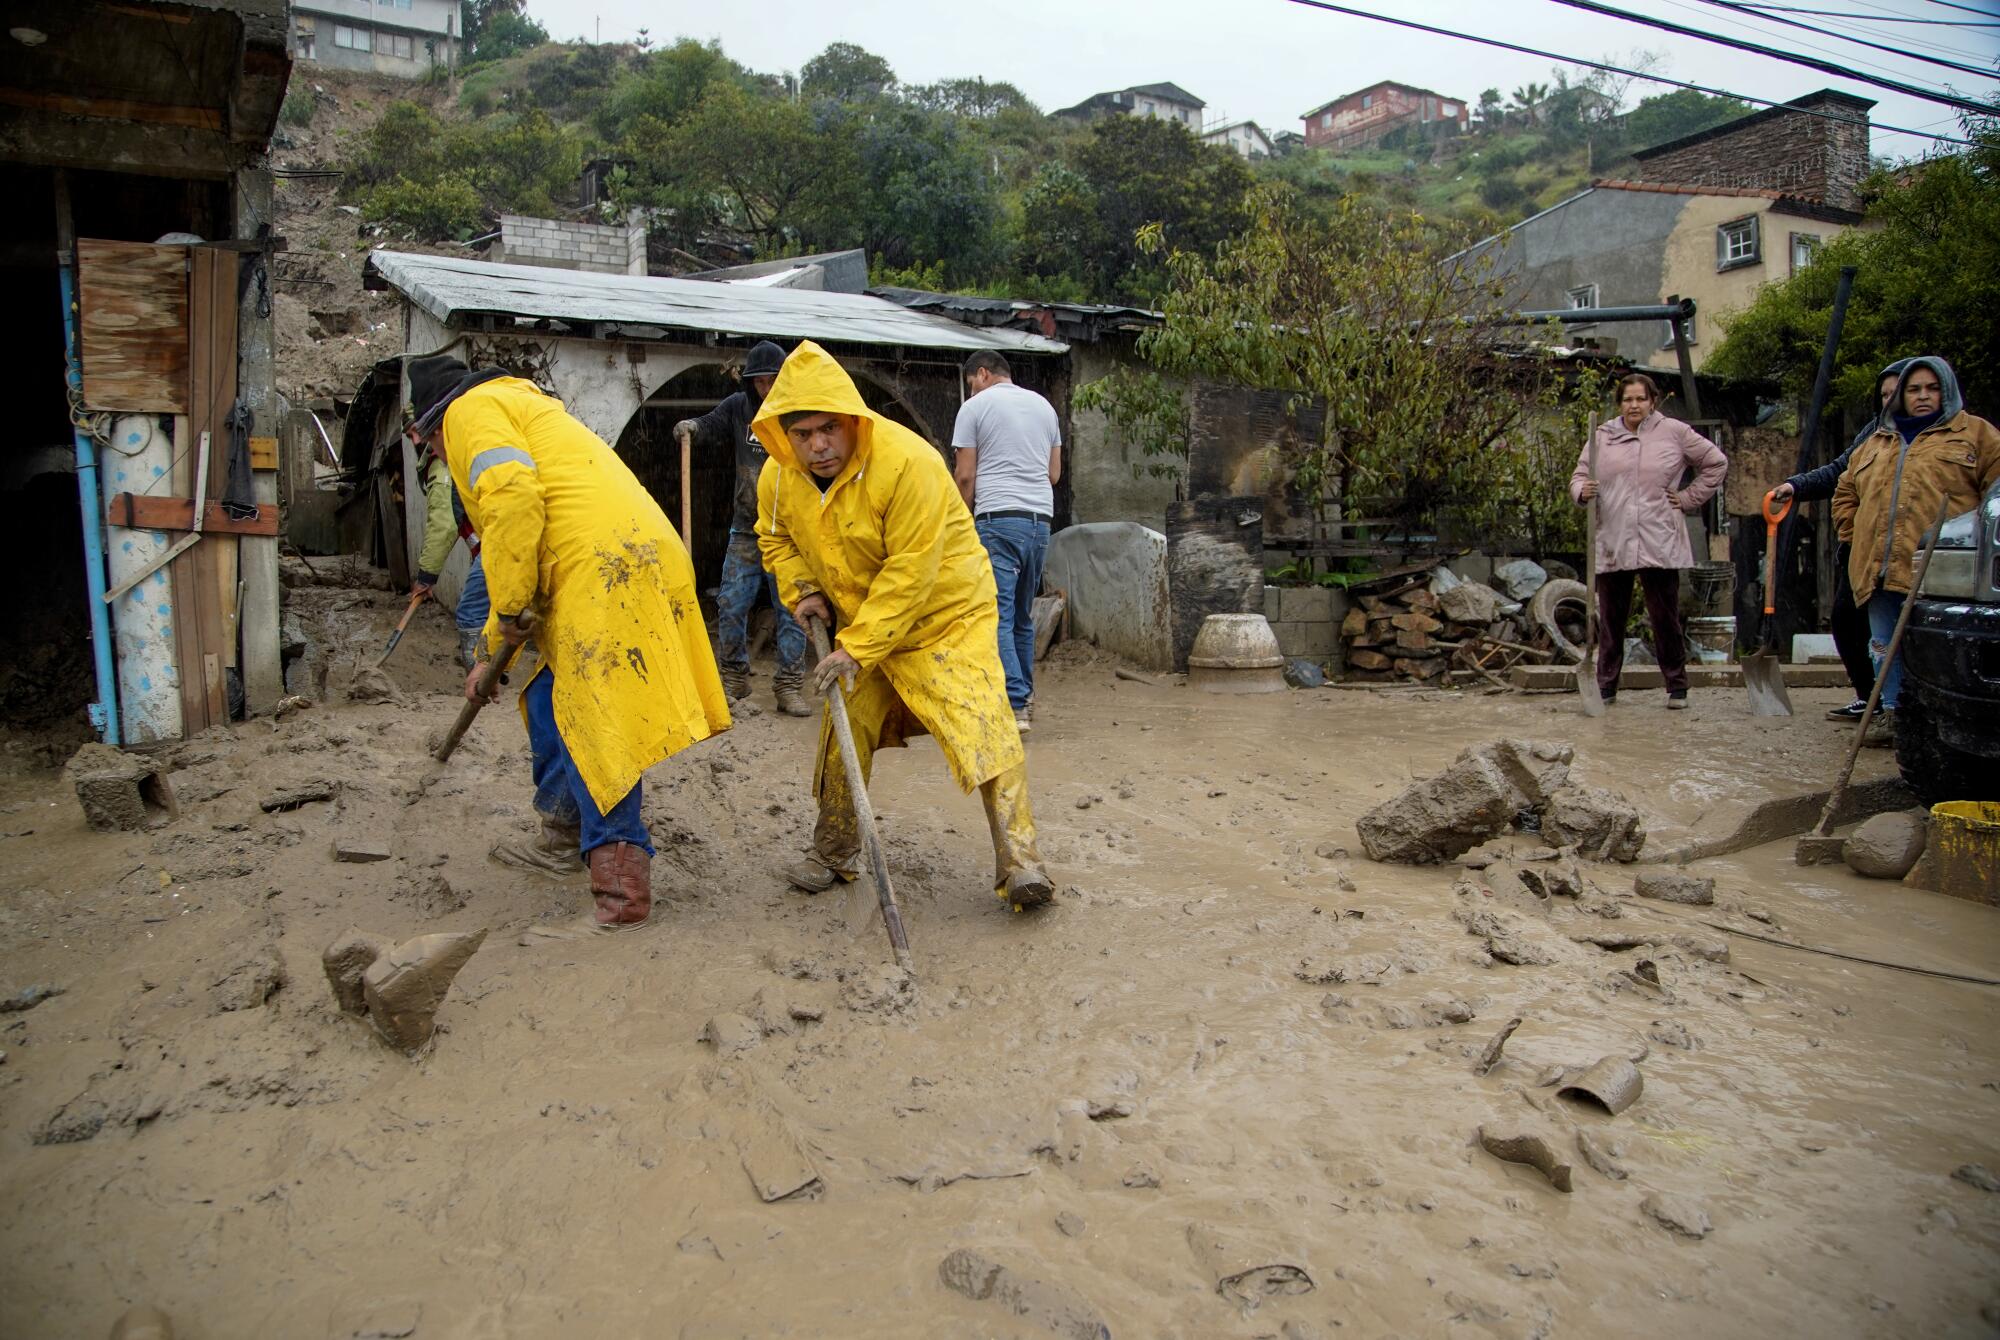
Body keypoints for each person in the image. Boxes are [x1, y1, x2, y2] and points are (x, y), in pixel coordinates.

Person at [407, 353, 731, 931]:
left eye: (429, 445)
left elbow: (511, 500)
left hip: (602, 569)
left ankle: (622, 894)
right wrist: (488, 654)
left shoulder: (469, 413)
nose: (437, 454)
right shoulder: (520, 406)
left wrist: (506, 610)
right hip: (626, 555)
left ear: (432, 426)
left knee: (594, 724)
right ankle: (562, 833)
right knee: (543, 696)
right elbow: (514, 548)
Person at [753, 341, 1055, 912]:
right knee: (846, 725)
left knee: (988, 732)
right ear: (783, 436)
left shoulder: (908, 464)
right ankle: (834, 851)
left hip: (944, 617)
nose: (817, 446)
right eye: (802, 434)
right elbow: (776, 539)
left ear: (851, 420)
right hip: (864, 622)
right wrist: (804, 589)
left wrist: (856, 647)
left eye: (828, 430)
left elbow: (911, 570)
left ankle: (1022, 865)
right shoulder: (777, 479)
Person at [1832, 356, 2000, 736]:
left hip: (1942, 573)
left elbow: (1997, 490)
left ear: (1947, 390)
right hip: (1878, 567)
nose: (1923, 396)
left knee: (1939, 647)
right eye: (1914, 389)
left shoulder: (1976, 435)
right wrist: (1853, 534)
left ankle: (1944, 722)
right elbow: (1844, 491)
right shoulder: (1877, 442)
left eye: (1932, 388)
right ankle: (1895, 717)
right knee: (1883, 646)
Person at [1571, 371, 1728, 709]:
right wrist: (1581, 491)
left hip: (1658, 537)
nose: (1634, 405)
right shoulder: (1602, 435)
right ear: (1619, 403)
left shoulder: (1673, 432)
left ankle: (1677, 686)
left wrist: (1687, 499)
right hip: (1613, 537)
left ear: (1653, 401)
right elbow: (1580, 474)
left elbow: (1716, 463)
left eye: (1641, 398)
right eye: (1628, 399)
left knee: (1664, 616)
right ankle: (1606, 687)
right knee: (1611, 618)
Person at [673, 341, 813, 718]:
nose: (767, 389)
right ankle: (734, 678)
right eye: (760, 382)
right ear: (751, 382)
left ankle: (788, 685)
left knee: (792, 611)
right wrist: (691, 427)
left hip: (791, 533)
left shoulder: (799, 412)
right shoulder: (739, 407)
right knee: (731, 604)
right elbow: (710, 424)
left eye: (773, 381)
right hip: (747, 528)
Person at [1770, 359, 1912, 720]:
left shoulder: (1938, 437)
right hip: (1866, 549)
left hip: (1918, 551)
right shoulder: (1874, 434)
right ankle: (1873, 699)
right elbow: (1840, 474)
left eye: (1898, 391)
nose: (1890, 400)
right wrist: (1795, 486)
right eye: (1884, 394)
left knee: (1910, 628)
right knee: (1849, 620)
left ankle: (1907, 707)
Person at [951, 351, 1062, 734]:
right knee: (1020, 616)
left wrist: (957, 522)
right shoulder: (1044, 407)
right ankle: (1024, 698)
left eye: (971, 382)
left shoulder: (976, 407)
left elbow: (965, 476)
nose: (971, 390)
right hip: (1040, 523)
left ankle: (1015, 703)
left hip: (998, 518)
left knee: (995, 613)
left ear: (981, 374)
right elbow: (1053, 473)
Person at [412, 421, 489, 670]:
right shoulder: (464, 450)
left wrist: (426, 577)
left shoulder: (442, 464)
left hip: (501, 545)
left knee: (470, 612)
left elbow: (444, 525)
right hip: (498, 542)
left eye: (416, 432)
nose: (414, 441)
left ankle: (482, 678)